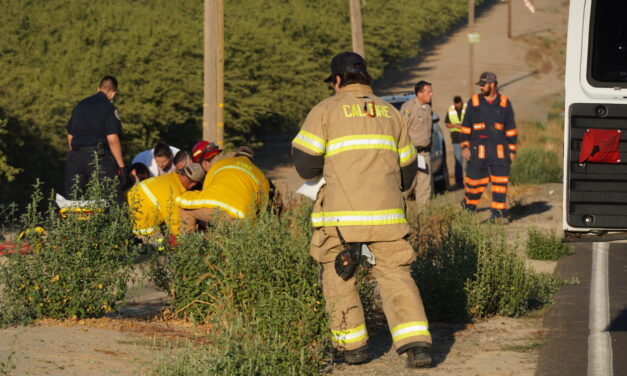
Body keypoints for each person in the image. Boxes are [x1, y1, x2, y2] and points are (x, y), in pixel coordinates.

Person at [292, 51, 432, 369]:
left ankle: (352, 348)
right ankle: (416, 344)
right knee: (396, 274)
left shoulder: (325, 110)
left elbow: (305, 164)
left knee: (339, 274)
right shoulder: (390, 113)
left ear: (337, 80)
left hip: (341, 218)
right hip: (387, 216)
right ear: (366, 77)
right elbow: (409, 170)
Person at [176, 141, 270, 232]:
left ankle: (187, 245)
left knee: (183, 204)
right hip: (247, 223)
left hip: (224, 213)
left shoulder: (219, 165)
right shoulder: (261, 175)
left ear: (204, 164)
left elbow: (207, 195)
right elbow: (263, 205)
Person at [460, 72, 517, 221]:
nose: (481, 88)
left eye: (483, 84)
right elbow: (466, 126)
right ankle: (467, 209)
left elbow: (510, 129)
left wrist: (511, 150)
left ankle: (498, 215)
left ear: (493, 84)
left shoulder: (504, 103)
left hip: (499, 152)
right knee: (474, 184)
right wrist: (465, 146)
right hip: (478, 151)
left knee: (500, 185)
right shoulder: (474, 102)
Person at [65, 76, 125, 201]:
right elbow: (113, 139)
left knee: (73, 200)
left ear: (98, 89)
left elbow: (70, 136)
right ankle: (116, 220)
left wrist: (76, 154)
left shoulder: (80, 105)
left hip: (75, 157)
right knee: (113, 195)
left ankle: (72, 221)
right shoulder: (109, 108)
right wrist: (121, 167)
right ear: (113, 93)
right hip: (97, 156)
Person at [127, 163, 205, 238]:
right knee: (160, 247)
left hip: (126, 206)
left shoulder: (169, 177)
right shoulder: (174, 192)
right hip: (140, 223)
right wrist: (184, 240)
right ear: (193, 184)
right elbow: (175, 223)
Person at [400, 80, 433, 205]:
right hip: (411, 154)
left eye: (431, 91)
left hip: (424, 155)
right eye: (428, 92)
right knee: (408, 188)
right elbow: (402, 129)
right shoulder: (409, 108)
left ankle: (423, 217)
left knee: (424, 187)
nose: (431, 94)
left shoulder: (428, 108)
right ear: (419, 94)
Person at [444, 96, 467, 187]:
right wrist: (455, 126)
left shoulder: (466, 108)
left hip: (467, 137)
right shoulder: (450, 110)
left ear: (461, 102)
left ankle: (471, 179)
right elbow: (447, 124)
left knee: (469, 159)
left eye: (459, 103)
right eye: (456, 103)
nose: (458, 105)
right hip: (456, 139)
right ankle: (459, 182)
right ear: (454, 103)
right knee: (458, 160)